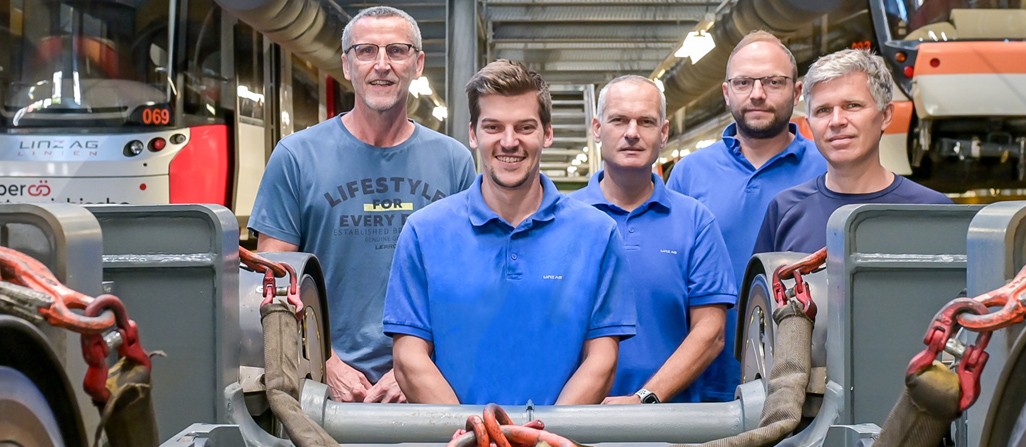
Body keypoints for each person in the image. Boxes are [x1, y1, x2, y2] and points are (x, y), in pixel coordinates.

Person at [247, 6, 475, 404]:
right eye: (366, 51)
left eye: (397, 51)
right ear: (347, 66)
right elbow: (274, 281)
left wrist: (416, 368)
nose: (381, 65)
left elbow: (467, 282)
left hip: (431, 382)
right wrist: (325, 361)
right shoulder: (298, 156)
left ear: (417, 64)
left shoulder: (454, 161)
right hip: (322, 386)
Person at [383, 60, 637, 406]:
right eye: (493, 127)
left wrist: (543, 441)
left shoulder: (597, 235)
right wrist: (474, 439)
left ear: (547, 134)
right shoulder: (424, 232)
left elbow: (602, 361)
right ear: (473, 134)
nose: (509, 141)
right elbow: (409, 360)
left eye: (524, 127)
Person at [666, 31, 827, 401]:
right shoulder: (690, 174)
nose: (757, 93)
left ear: (797, 91)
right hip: (704, 383)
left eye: (773, 81)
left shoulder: (827, 169)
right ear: (727, 93)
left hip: (802, 380)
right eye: (743, 82)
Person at [572, 75, 736, 404]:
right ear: (597, 129)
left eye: (645, 122)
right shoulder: (563, 218)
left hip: (670, 428)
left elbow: (711, 332)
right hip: (573, 424)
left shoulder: (695, 221)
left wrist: (645, 399)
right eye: (618, 120)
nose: (632, 133)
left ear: (663, 134)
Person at [753, 49, 953, 254]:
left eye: (852, 106)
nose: (837, 121)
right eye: (823, 110)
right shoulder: (785, 210)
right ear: (809, 123)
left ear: (885, 115)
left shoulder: (933, 211)